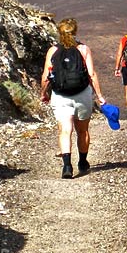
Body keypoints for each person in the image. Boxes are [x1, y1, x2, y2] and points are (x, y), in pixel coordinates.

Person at [40, 18, 106, 179]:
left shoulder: (53, 50)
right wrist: (99, 96)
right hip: (82, 94)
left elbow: (46, 77)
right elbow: (91, 74)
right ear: (75, 31)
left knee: (65, 130)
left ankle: (67, 166)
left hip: (61, 95)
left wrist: (44, 93)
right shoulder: (83, 49)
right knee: (82, 130)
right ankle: (83, 162)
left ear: (59, 32)